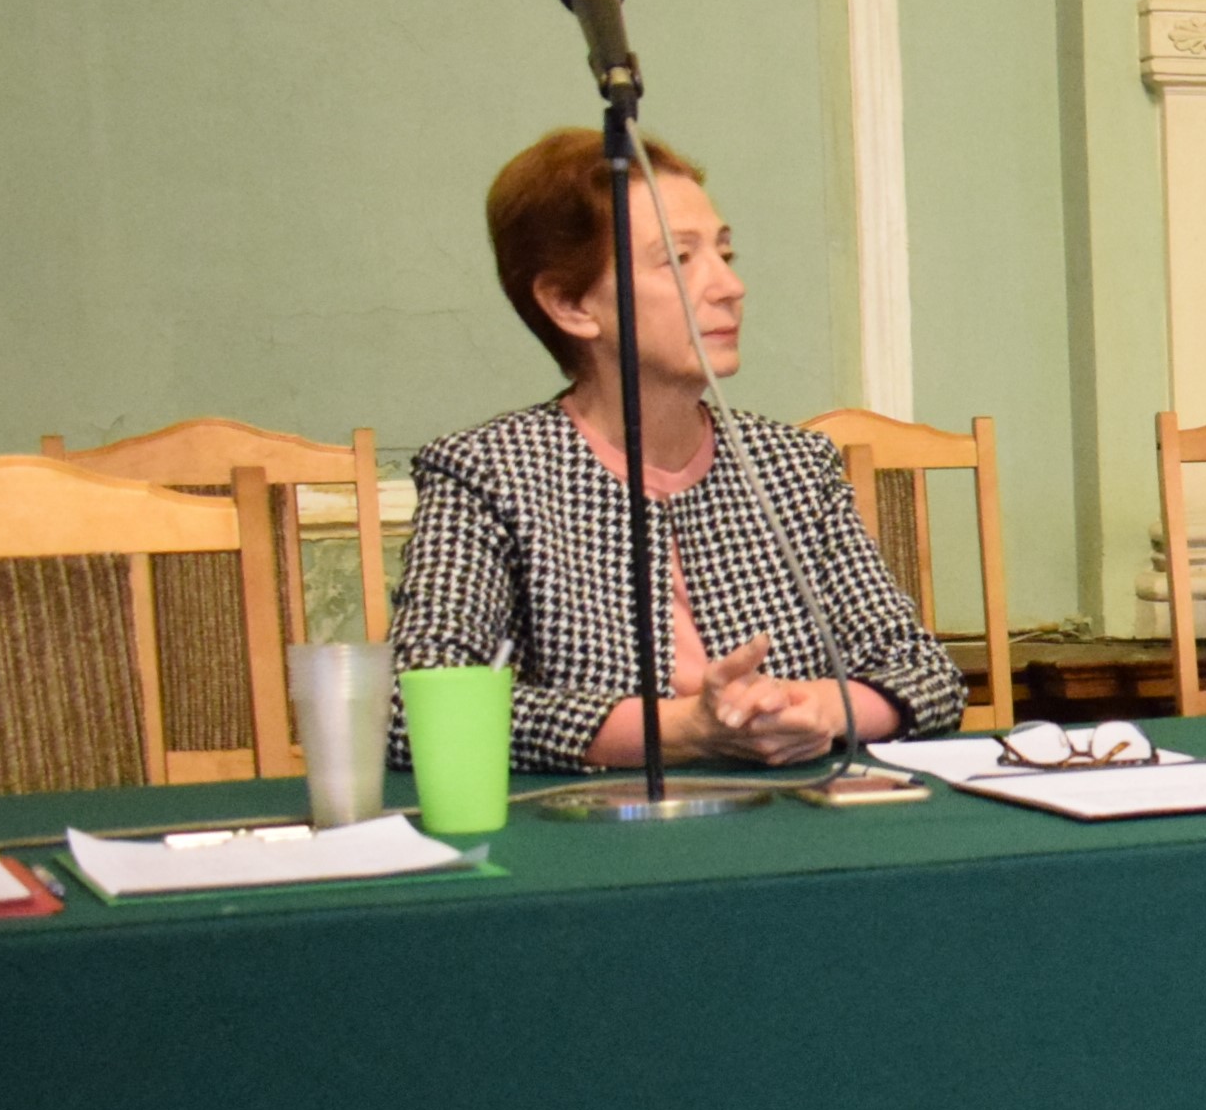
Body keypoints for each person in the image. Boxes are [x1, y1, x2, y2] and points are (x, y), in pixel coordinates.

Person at [392, 129, 966, 774]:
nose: (730, 286)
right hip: (599, 821)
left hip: (796, 806)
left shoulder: (795, 466)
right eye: (679, 259)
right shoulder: (487, 474)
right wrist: (685, 729)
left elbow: (925, 673)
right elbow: (415, 708)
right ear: (571, 304)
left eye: (725, 252)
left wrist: (821, 711)